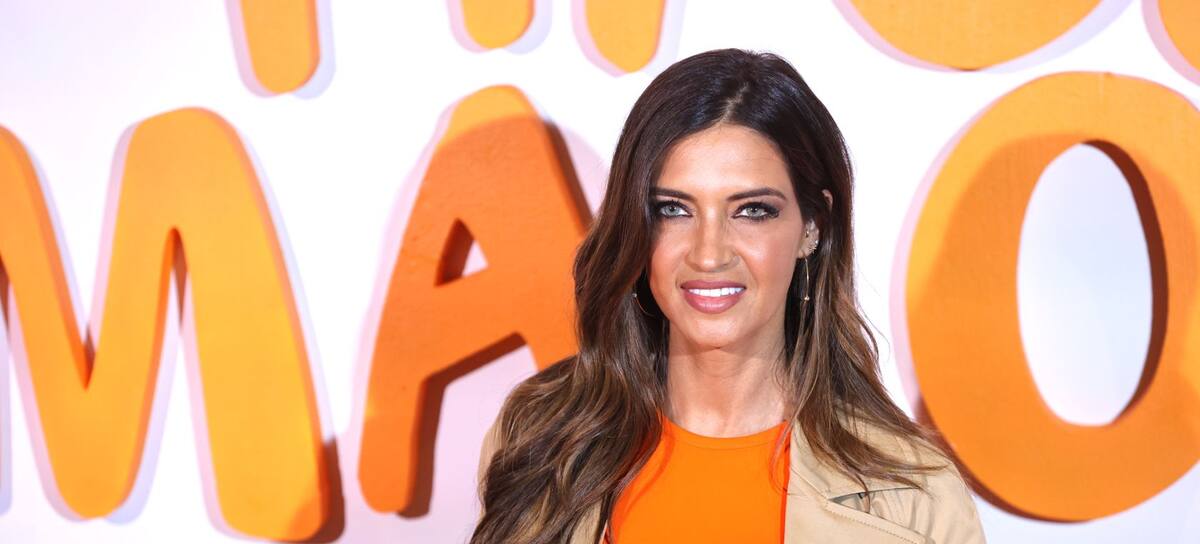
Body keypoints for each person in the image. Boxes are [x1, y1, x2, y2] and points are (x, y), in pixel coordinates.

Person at [471, 48, 986, 543]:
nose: (708, 254)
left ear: (812, 226)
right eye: (673, 209)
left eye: (752, 210)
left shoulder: (913, 496)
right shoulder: (537, 437)